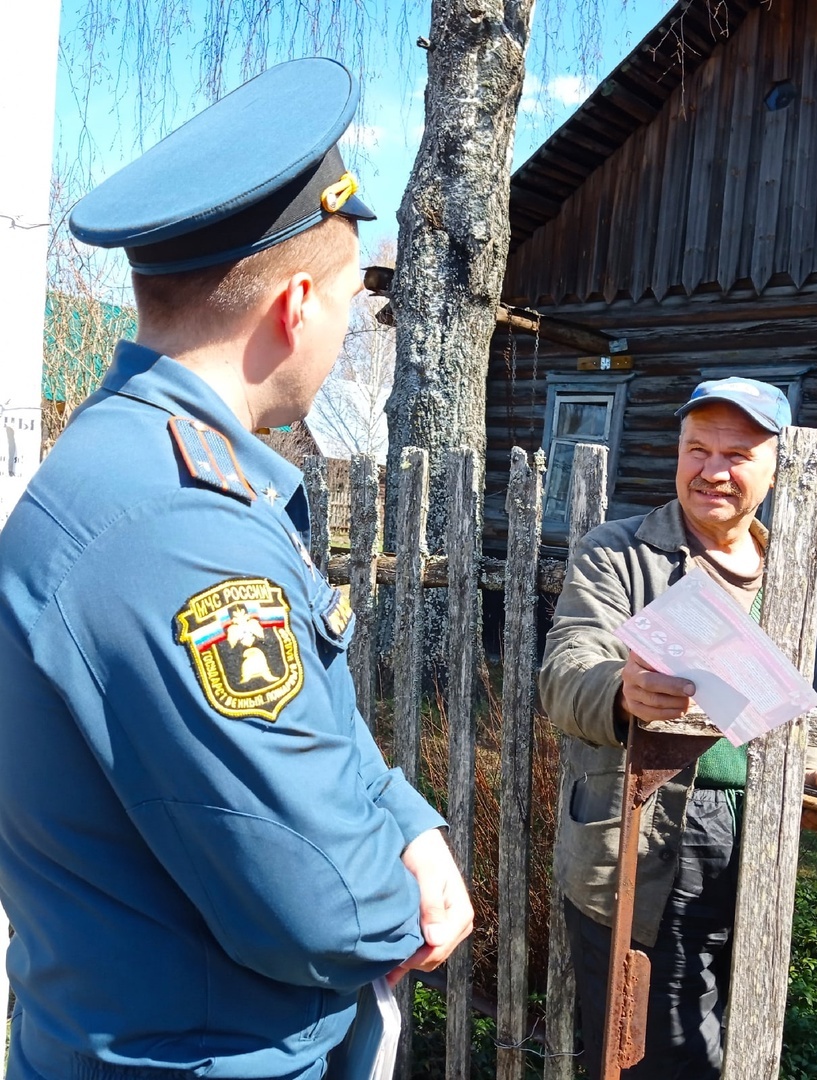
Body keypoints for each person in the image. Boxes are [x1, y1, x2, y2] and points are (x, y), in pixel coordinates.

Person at [0, 58, 472, 1080]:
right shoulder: (177, 528)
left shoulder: (160, 475)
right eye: (354, 299)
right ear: (296, 306)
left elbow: (313, 731)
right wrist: (410, 901)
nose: (350, 332)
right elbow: (318, 897)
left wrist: (410, 824)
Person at [538, 377, 817, 1080]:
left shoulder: (791, 574)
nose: (711, 470)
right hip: (644, 832)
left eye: (735, 455)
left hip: (755, 830)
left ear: (773, 470)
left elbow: (804, 706)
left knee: (732, 1035)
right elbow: (565, 670)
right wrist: (621, 692)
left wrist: (815, 760)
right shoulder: (619, 553)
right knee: (654, 1055)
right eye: (696, 449)